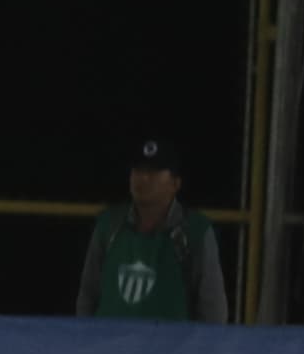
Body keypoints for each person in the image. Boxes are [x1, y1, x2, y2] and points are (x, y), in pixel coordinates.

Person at [76, 135, 231, 323]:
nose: (143, 178)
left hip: (171, 350)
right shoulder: (109, 224)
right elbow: (88, 295)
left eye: (154, 172)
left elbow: (212, 309)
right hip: (110, 348)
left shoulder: (196, 231)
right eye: (138, 170)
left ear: (175, 183)